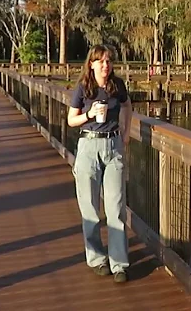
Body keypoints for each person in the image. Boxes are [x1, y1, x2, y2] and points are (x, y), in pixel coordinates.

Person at [67, 44, 133, 283]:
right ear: (91, 64)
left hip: (113, 147)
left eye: (108, 61)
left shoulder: (118, 86)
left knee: (116, 208)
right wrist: (89, 114)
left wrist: (126, 131)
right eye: (101, 61)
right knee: (90, 209)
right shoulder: (83, 88)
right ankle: (96, 259)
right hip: (88, 147)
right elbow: (71, 120)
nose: (106, 65)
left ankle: (119, 264)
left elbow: (126, 105)